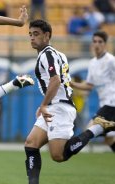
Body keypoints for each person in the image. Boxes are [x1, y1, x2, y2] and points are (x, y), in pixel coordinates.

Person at [24, 20, 115, 184]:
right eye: (30, 34)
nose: (32, 38)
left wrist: (43, 104)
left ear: (47, 35)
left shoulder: (47, 54)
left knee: (58, 155)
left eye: (36, 34)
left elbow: (56, 80)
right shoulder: (58, 54)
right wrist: (46, 104)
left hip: (59, 108)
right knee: (31, 143)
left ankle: (95, 129)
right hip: (54, 105)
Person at [70, 31, 115, 153]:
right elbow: (89, 86)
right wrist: (71, 84)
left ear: (105, 44)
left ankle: (66, 151)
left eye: (100, 42)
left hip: (111, 103)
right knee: (109, 140)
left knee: (89, 129)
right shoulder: (93, 63)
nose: (97, 44)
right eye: (95, 41)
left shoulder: (111, 60)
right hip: (104, 104)